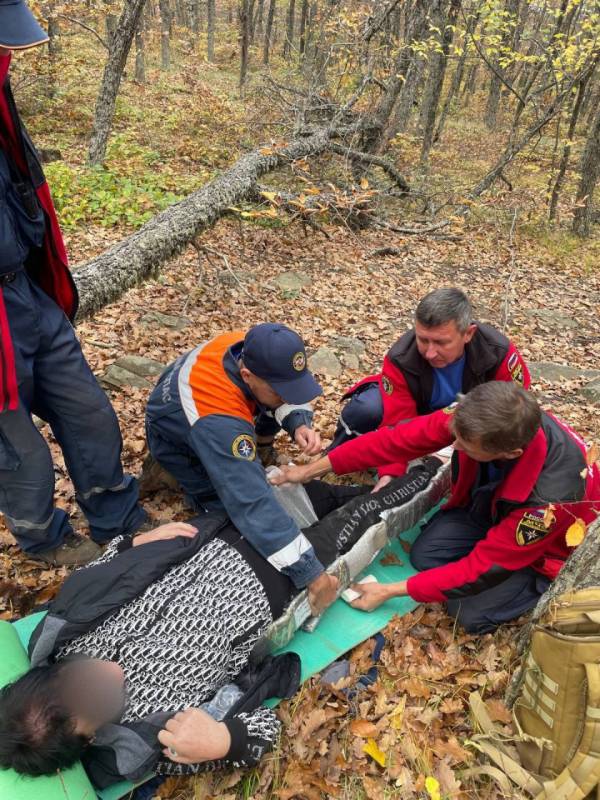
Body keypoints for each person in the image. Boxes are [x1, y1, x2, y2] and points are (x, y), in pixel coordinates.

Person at [0, 462, 442, 783]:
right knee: (373, 513)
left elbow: (95, 578)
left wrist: (134, 540)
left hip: (227, 531)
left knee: (326, 495)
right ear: (89, 739)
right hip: (286, 586)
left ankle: (396, 461)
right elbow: (263, 729)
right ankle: (447, 464)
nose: (102, 681)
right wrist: (224, 741)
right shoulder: (160, 736)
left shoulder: (60, 636)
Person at [270, 383, 600, 633]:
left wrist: (389, 591)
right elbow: (395, 441)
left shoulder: (550, 502)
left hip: (547, 551)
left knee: (466, 612)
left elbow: (481, 568)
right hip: (494, 506)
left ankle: (533, 587)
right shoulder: (480, 416)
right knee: (426, 556)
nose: (453, 445)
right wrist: (309, 471)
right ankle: (490, 537)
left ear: (511, 453)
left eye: (464, 447)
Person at [0, 0, 145, 566]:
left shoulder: (1, 98)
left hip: (24, 293)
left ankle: (118, 517)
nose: (9, 54)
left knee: (88, 411)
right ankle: (43, 539)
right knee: (20, 451)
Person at [145, 323, 337, 615]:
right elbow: (251, 502)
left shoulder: (250, 348)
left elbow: (284, 391)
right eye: (281, 391)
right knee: (225, 508)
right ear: (246, 376)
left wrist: (299, 421)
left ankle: (259, 443)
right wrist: (311, 573)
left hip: (206, 413)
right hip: (178, 438)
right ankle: (171, 473)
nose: (287, 395)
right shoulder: (219, 421)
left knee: (269, 405)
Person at [331, 287, 530, 489]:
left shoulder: (498, 354)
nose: (430, 353)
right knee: (367, 408)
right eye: (423, 340)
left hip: (469, 421)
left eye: (441, 343)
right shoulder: (401, 357)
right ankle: (338, 456)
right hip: (420, 414)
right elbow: (396, 423)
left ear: (468, 334)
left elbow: (511, 416)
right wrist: (389, 475)